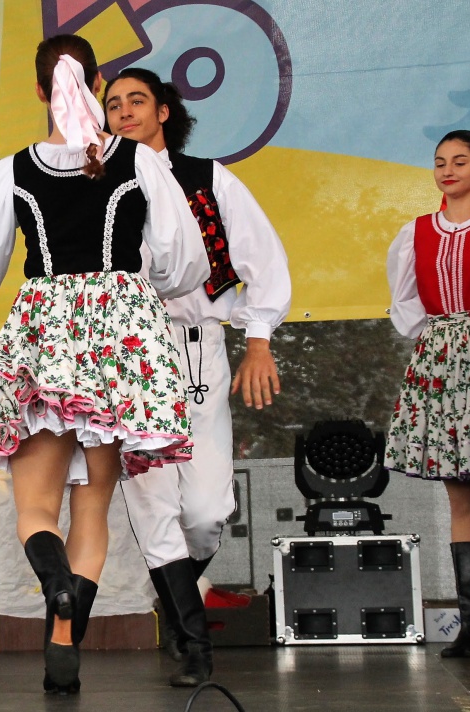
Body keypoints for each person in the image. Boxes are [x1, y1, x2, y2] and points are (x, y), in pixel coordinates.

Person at [0, 35, 208, 693]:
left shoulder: (14, 170)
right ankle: (65, 637)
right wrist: (139, 290)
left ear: (40, 90)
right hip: (119, 339)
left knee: (35, 506)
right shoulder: (139, 160)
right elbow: (182, 260)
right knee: (93, 510)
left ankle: (54, 586)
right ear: (95, 85)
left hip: (45, 332)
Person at [103, 68, 291, 686]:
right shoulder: (99, 185)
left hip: (196, 348)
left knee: (208, 511)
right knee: (155, 505)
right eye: (113, 104)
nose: (125, 111)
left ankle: (176, 598)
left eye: (137, 100)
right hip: (128, 355)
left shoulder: (207, 178)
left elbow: (261, 256)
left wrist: (258, 341)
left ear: (164, 111)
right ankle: (191, 642)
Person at [386, 130, 470, 658]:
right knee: (458, 496)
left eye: (460, 161)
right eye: (440, 161)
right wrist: (441, 338)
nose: (448, 170)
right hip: (440, 359)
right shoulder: (417, 230)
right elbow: (405, 303)